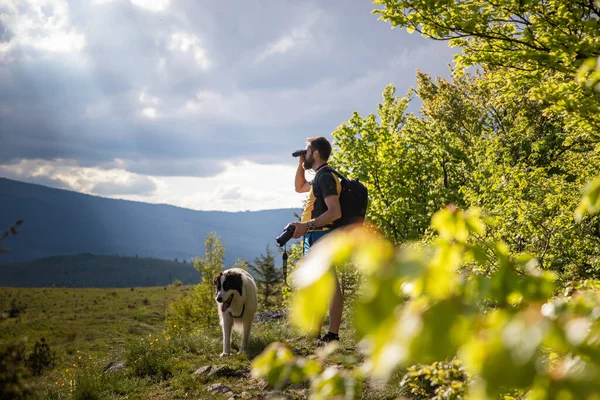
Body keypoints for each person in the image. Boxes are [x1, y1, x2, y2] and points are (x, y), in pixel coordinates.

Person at [288, 136, 343, 343]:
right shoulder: (319, 177)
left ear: (316, 153)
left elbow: (334, 212)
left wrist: (307, 225)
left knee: (331, 284)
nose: (305, 153)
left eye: (307, 150)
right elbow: (299, 186)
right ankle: (315, 331)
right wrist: (300, 164)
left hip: (323, 235)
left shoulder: (326, 177)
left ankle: (333, 334)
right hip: (316, 235)